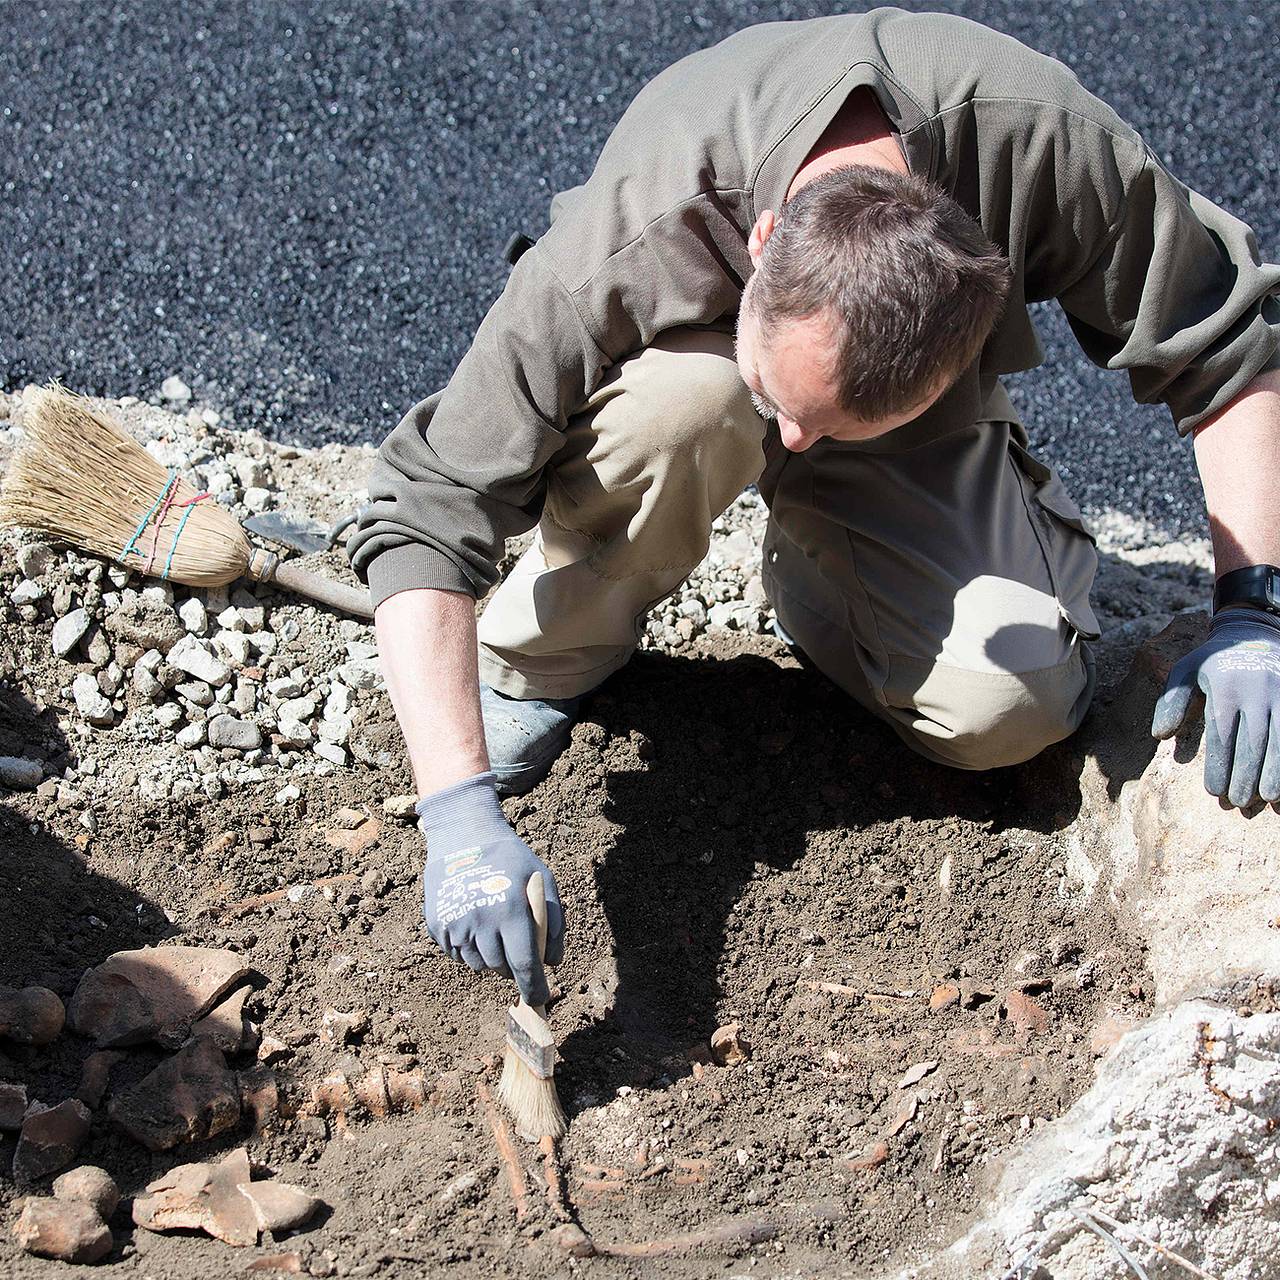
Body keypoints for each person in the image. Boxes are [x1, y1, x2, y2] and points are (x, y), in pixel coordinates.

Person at [349, 10, 1280, 1002]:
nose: (788, 444)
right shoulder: (635, 226)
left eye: (826, 425)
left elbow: (1223, 349)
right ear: (759, 243)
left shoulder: (1040, 147)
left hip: (894, 429)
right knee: (695, 413)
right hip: (680, 393)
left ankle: (825, 567)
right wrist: (456, 814)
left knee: (1008, 710)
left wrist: (1253, 608)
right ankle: (553, 652)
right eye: (788, 408)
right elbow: (422, 509)